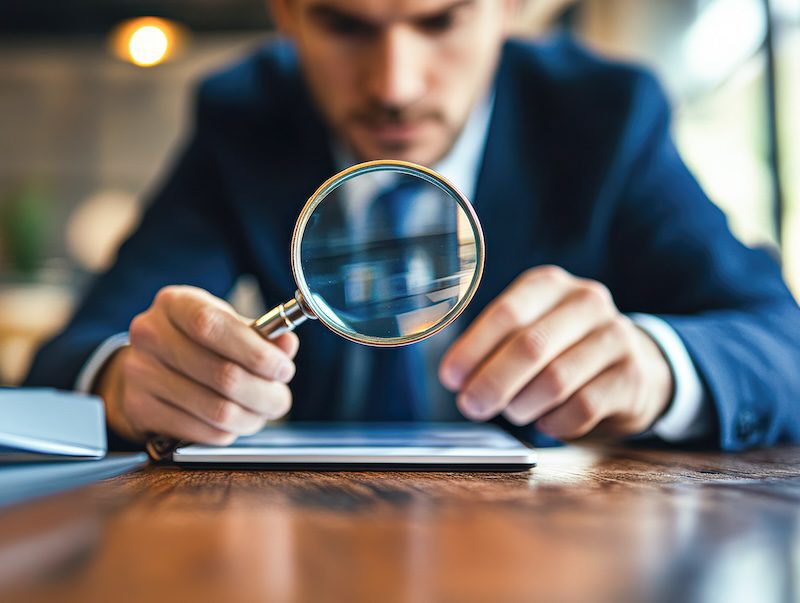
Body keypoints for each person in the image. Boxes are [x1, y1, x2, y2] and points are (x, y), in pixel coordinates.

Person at [24, 0, 800, 450]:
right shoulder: (243, 116)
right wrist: (131, 384)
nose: (394, 85)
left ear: (511, 9)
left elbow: (781, 342)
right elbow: (74, 354)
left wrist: (655, 364)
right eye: (345, 24)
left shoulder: (603, 115)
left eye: (439, 20)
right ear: (287, 12)